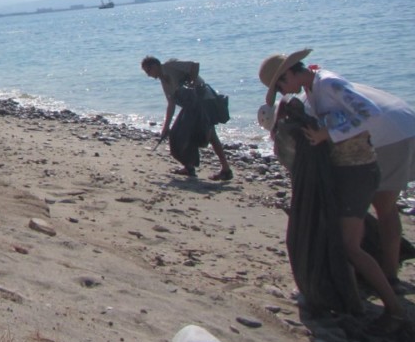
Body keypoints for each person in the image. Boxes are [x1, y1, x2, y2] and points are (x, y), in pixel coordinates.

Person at [259, 49, 415, 305]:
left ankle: (389, 277)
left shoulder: (327, 82)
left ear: (290, 72)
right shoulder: (310, 90)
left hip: (393, 133)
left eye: (280, 84)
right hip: (381, 136)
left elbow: (370, 113)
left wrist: (327, 135)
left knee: (384, 207)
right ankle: (376, 275)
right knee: (362, 212)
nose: (283, 91)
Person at [141, 56, 233, 180]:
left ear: (155, 65)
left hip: (203, 100)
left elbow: (195, 65)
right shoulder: (164, 81)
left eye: (148, 71)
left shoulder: (169, 66)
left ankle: (225, 169)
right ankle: (189, 166)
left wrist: (193, 82)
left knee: (210, 135)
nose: (148, 75)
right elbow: (171, 104)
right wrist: (166, 127)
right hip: (191, 107)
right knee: (177, 134)